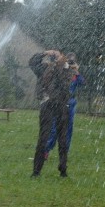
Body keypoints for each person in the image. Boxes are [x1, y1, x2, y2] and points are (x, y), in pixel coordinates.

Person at [30, 49, 74, 177]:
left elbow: (63, 83)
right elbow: (32, 62)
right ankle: (36, 171)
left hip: (61, 104)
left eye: (58, 54)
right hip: (47, 103)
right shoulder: (43, 68)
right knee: (43, 137)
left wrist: (59, 64)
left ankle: (63, 170)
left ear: (63, 56)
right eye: (54, 55)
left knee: (63, 138)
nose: (55, 57)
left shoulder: (67, 69)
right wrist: (44, 53)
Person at [44, 53, 84, 159]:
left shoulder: (75, 74)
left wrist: (77, 71)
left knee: (68, 128)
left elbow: (82, 83)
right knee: (54, 128)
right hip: (59, 103)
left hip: (71, 103)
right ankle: (46, 149)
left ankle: (65, 151)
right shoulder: (60, 71)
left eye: (72, 62)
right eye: (69, 61)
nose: (70, 64)